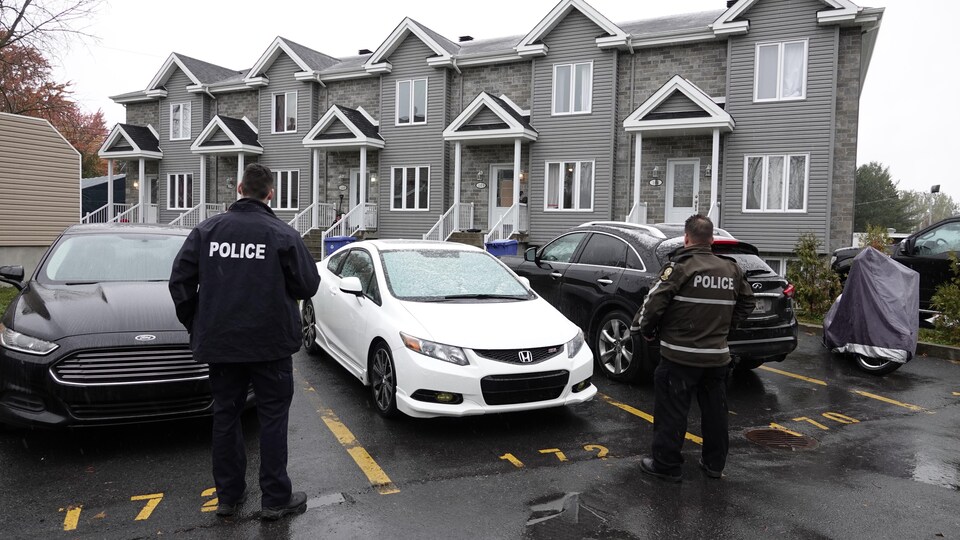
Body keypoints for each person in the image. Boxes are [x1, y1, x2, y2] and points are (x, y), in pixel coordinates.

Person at [169, 163, 321, 520]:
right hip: (270, 345)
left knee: (225, 415)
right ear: (270, 194)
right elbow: (307, 286)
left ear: (239, 188)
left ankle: (228, 496)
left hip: (222, 345)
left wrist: (197, 321)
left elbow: (179, 282)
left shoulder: (207, 231)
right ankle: (274, 499)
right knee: (271, 418)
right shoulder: (282, 234)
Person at [630, 214, 754, 482]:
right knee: (715, 415)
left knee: (672, 412)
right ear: (711, 239)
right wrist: (725, 330)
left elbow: (652, 305)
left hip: (678, 357)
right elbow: (747, 304)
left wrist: (647, 332)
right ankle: (714, 465)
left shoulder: (679, 268)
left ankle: (666, 465)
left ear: (687, 238)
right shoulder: (731, 269)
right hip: (716, 359)